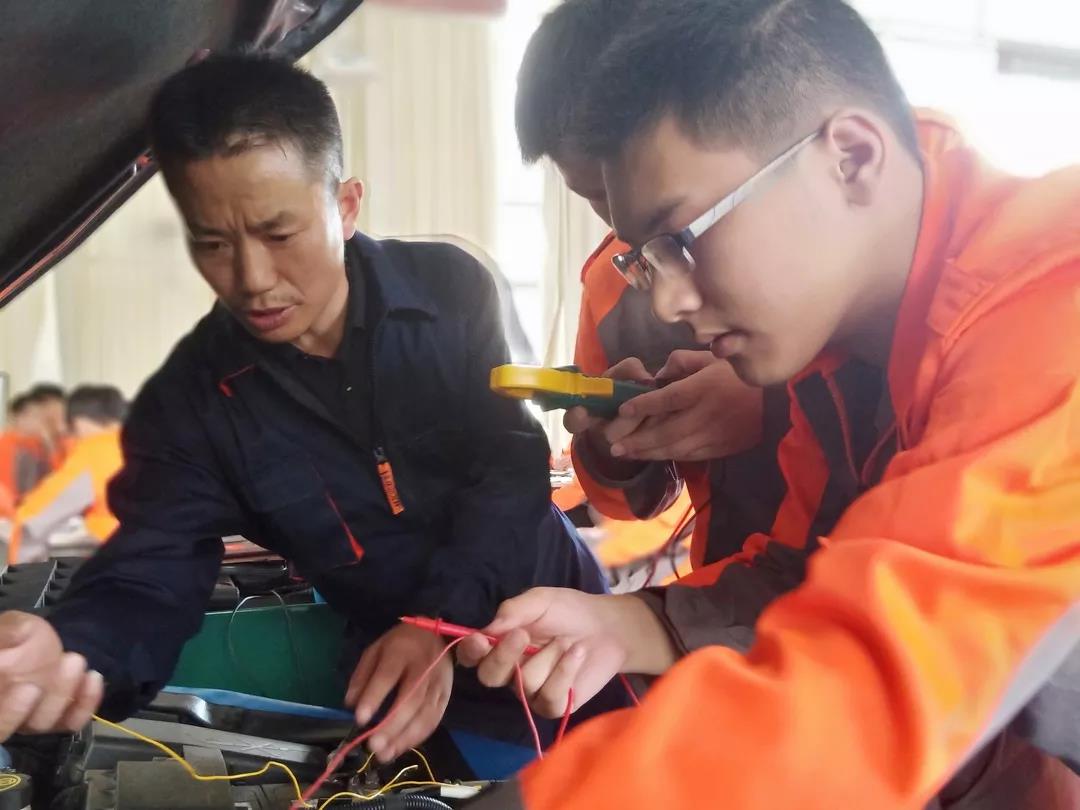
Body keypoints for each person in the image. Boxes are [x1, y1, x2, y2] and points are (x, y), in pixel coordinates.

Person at [459, 1, 1080, 807]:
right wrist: (631, 623)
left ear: (851, 157)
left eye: (682, 238)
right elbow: (808, 571)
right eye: (644, 256)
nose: (667, 301)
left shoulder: (1050, 301)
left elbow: (858, 684)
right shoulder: (839, 350)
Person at [0, 53, 610, 757]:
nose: (252, 279)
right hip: (412, 692)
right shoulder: (193, 405)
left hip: (568, 632)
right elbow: (151, 571)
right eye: (213, 243)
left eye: (278, 234)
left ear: (345, 207)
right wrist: (70, 649)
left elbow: (508, 464)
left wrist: (436, 620)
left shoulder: (448, 292)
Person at [516, 0, 777, 571]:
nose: (622, 218)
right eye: (594, 195)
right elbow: (632, 507)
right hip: (730, 582)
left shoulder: (793, 224)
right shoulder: (610, 285)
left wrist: (770, 402)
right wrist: (615, 448)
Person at [7, 385, 127, 564]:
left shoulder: (96, 453)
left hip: (120, 557)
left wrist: (21, 574)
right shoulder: (148, 444)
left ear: (79, 422)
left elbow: (32, 520)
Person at [0, 395, 50, 517]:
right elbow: (7, 489)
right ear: (18, 417)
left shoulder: (38, 445)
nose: (41, 422)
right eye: (35, 416)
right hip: (11, 513)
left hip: (36, 510)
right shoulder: (5, 445)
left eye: (42, 417)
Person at [27, 383, 70, 468]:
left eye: (56, 405)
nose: (51, 411)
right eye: (45, 406)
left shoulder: (73, 436)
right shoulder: (30, 439)